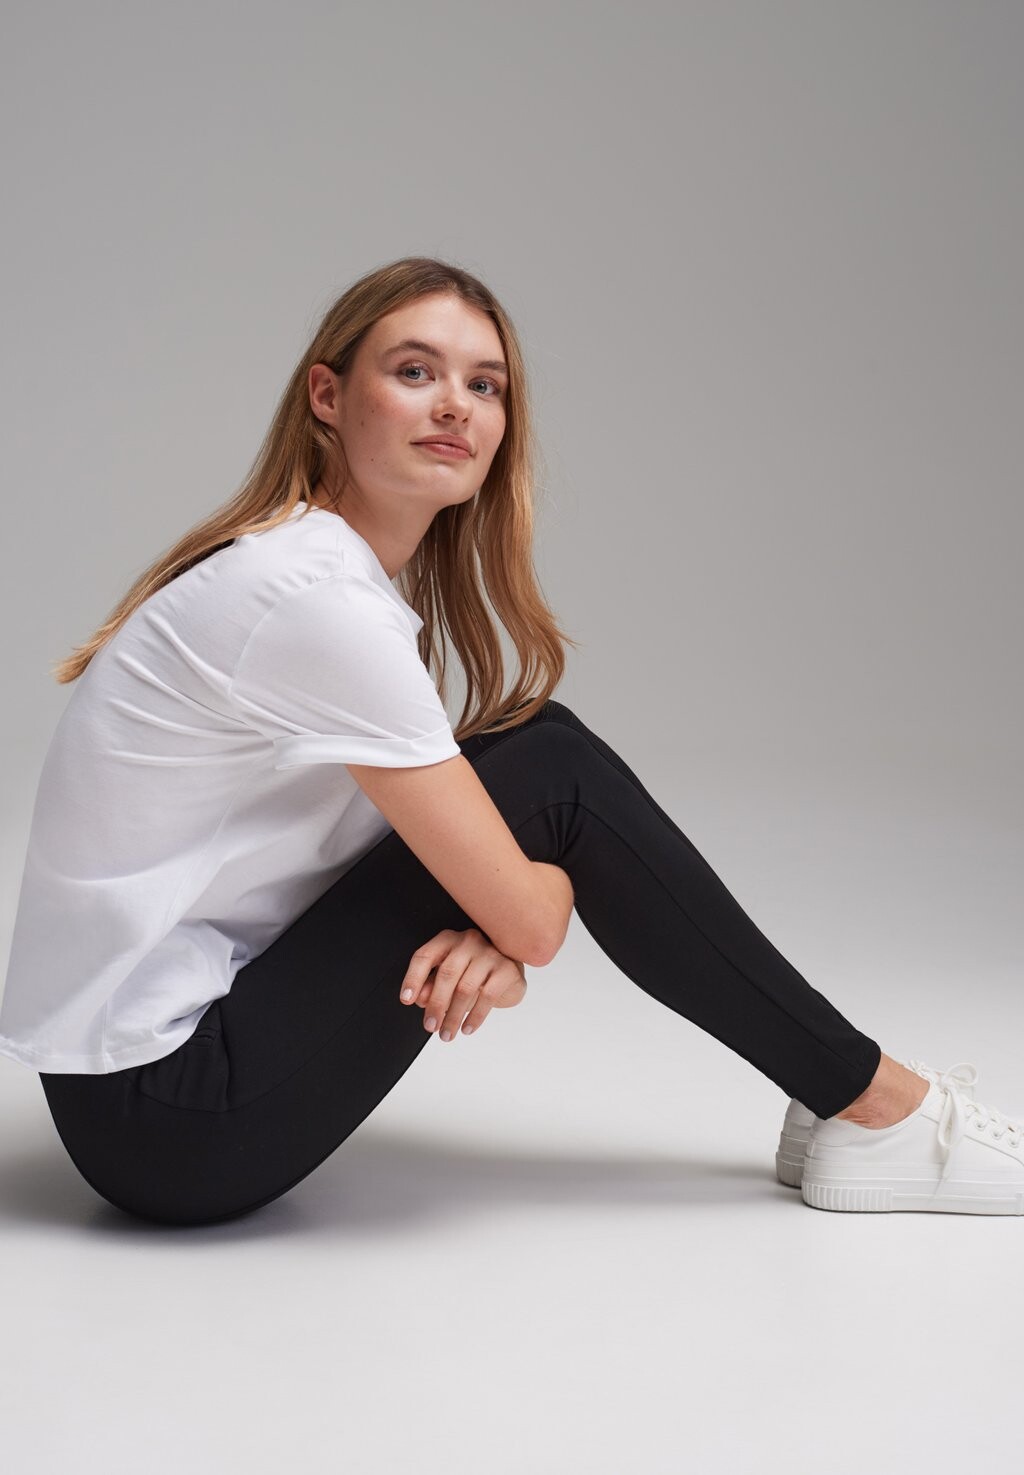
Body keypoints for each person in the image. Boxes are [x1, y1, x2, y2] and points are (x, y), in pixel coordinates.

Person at [2, 256, 1020, 1227]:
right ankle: (871, 1103)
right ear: (327, 395)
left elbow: (489, 893)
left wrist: (506, 908)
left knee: (535, 744)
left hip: (135, 1088)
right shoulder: (312, 599)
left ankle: (830, 1090)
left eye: (483, 385)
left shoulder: (307, 571)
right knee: (554, 777)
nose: (456, 405)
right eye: (415, 372)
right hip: (169, 1120)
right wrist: (528, 905)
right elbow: (532, 922)